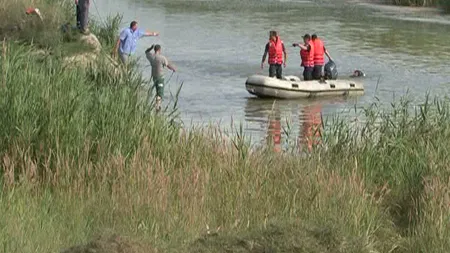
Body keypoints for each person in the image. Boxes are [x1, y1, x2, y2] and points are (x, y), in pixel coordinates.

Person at [145, 44, 176, 111]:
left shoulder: (151, 57)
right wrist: (173, 69)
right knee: (160, 93)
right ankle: (157, 107)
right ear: (159, 50)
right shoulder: (162, 58)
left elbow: (146, 52)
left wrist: (150, 48)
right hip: (160, 78)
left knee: (157, 91)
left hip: (154, 77)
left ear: (154, 49)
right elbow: (167, 65)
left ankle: (157, 106)